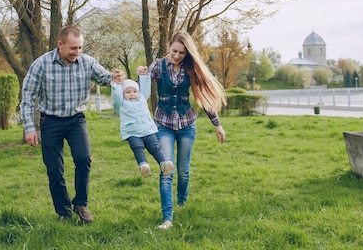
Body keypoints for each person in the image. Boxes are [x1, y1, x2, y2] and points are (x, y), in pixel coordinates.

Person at [20, 26, 124, 224]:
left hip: (76, 119)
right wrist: (29, 128)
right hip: (49, 121)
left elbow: (105, 77)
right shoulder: (41, 64)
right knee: (54, 169)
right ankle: (64, 212)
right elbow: (27, 98)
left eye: (80, 48)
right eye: (73, 48)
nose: (77, 53)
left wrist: (115, 77)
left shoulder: (87, 62)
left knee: (83, 158)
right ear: (60, 45)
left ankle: (81, 205)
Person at [149, 31, 227, 230]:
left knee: (183, 171)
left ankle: (182, 202)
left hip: (186, 125)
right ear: (169, 46)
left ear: (187, 53)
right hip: (163, 124)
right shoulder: (158, 66)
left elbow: (204, 97)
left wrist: (217, 125)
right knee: (167, 169)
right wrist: (139, 77)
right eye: (174, 51)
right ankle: (167, 218)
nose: (176, 56)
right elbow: (141, 88)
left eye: (182, 53)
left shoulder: (191, 69)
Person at [111, 66, 173, 178]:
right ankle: (143, 165)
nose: (132, 94)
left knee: (155, 147)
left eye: (134, 91)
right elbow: (116, 97)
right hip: (132, 132)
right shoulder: (121, 103)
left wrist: (143, 76)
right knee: (137, 147)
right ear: (123, 94)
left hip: (148, 130)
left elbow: (144, 88)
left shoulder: (142, 98)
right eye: (128, 92)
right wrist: (117, 85)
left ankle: (164, 163)